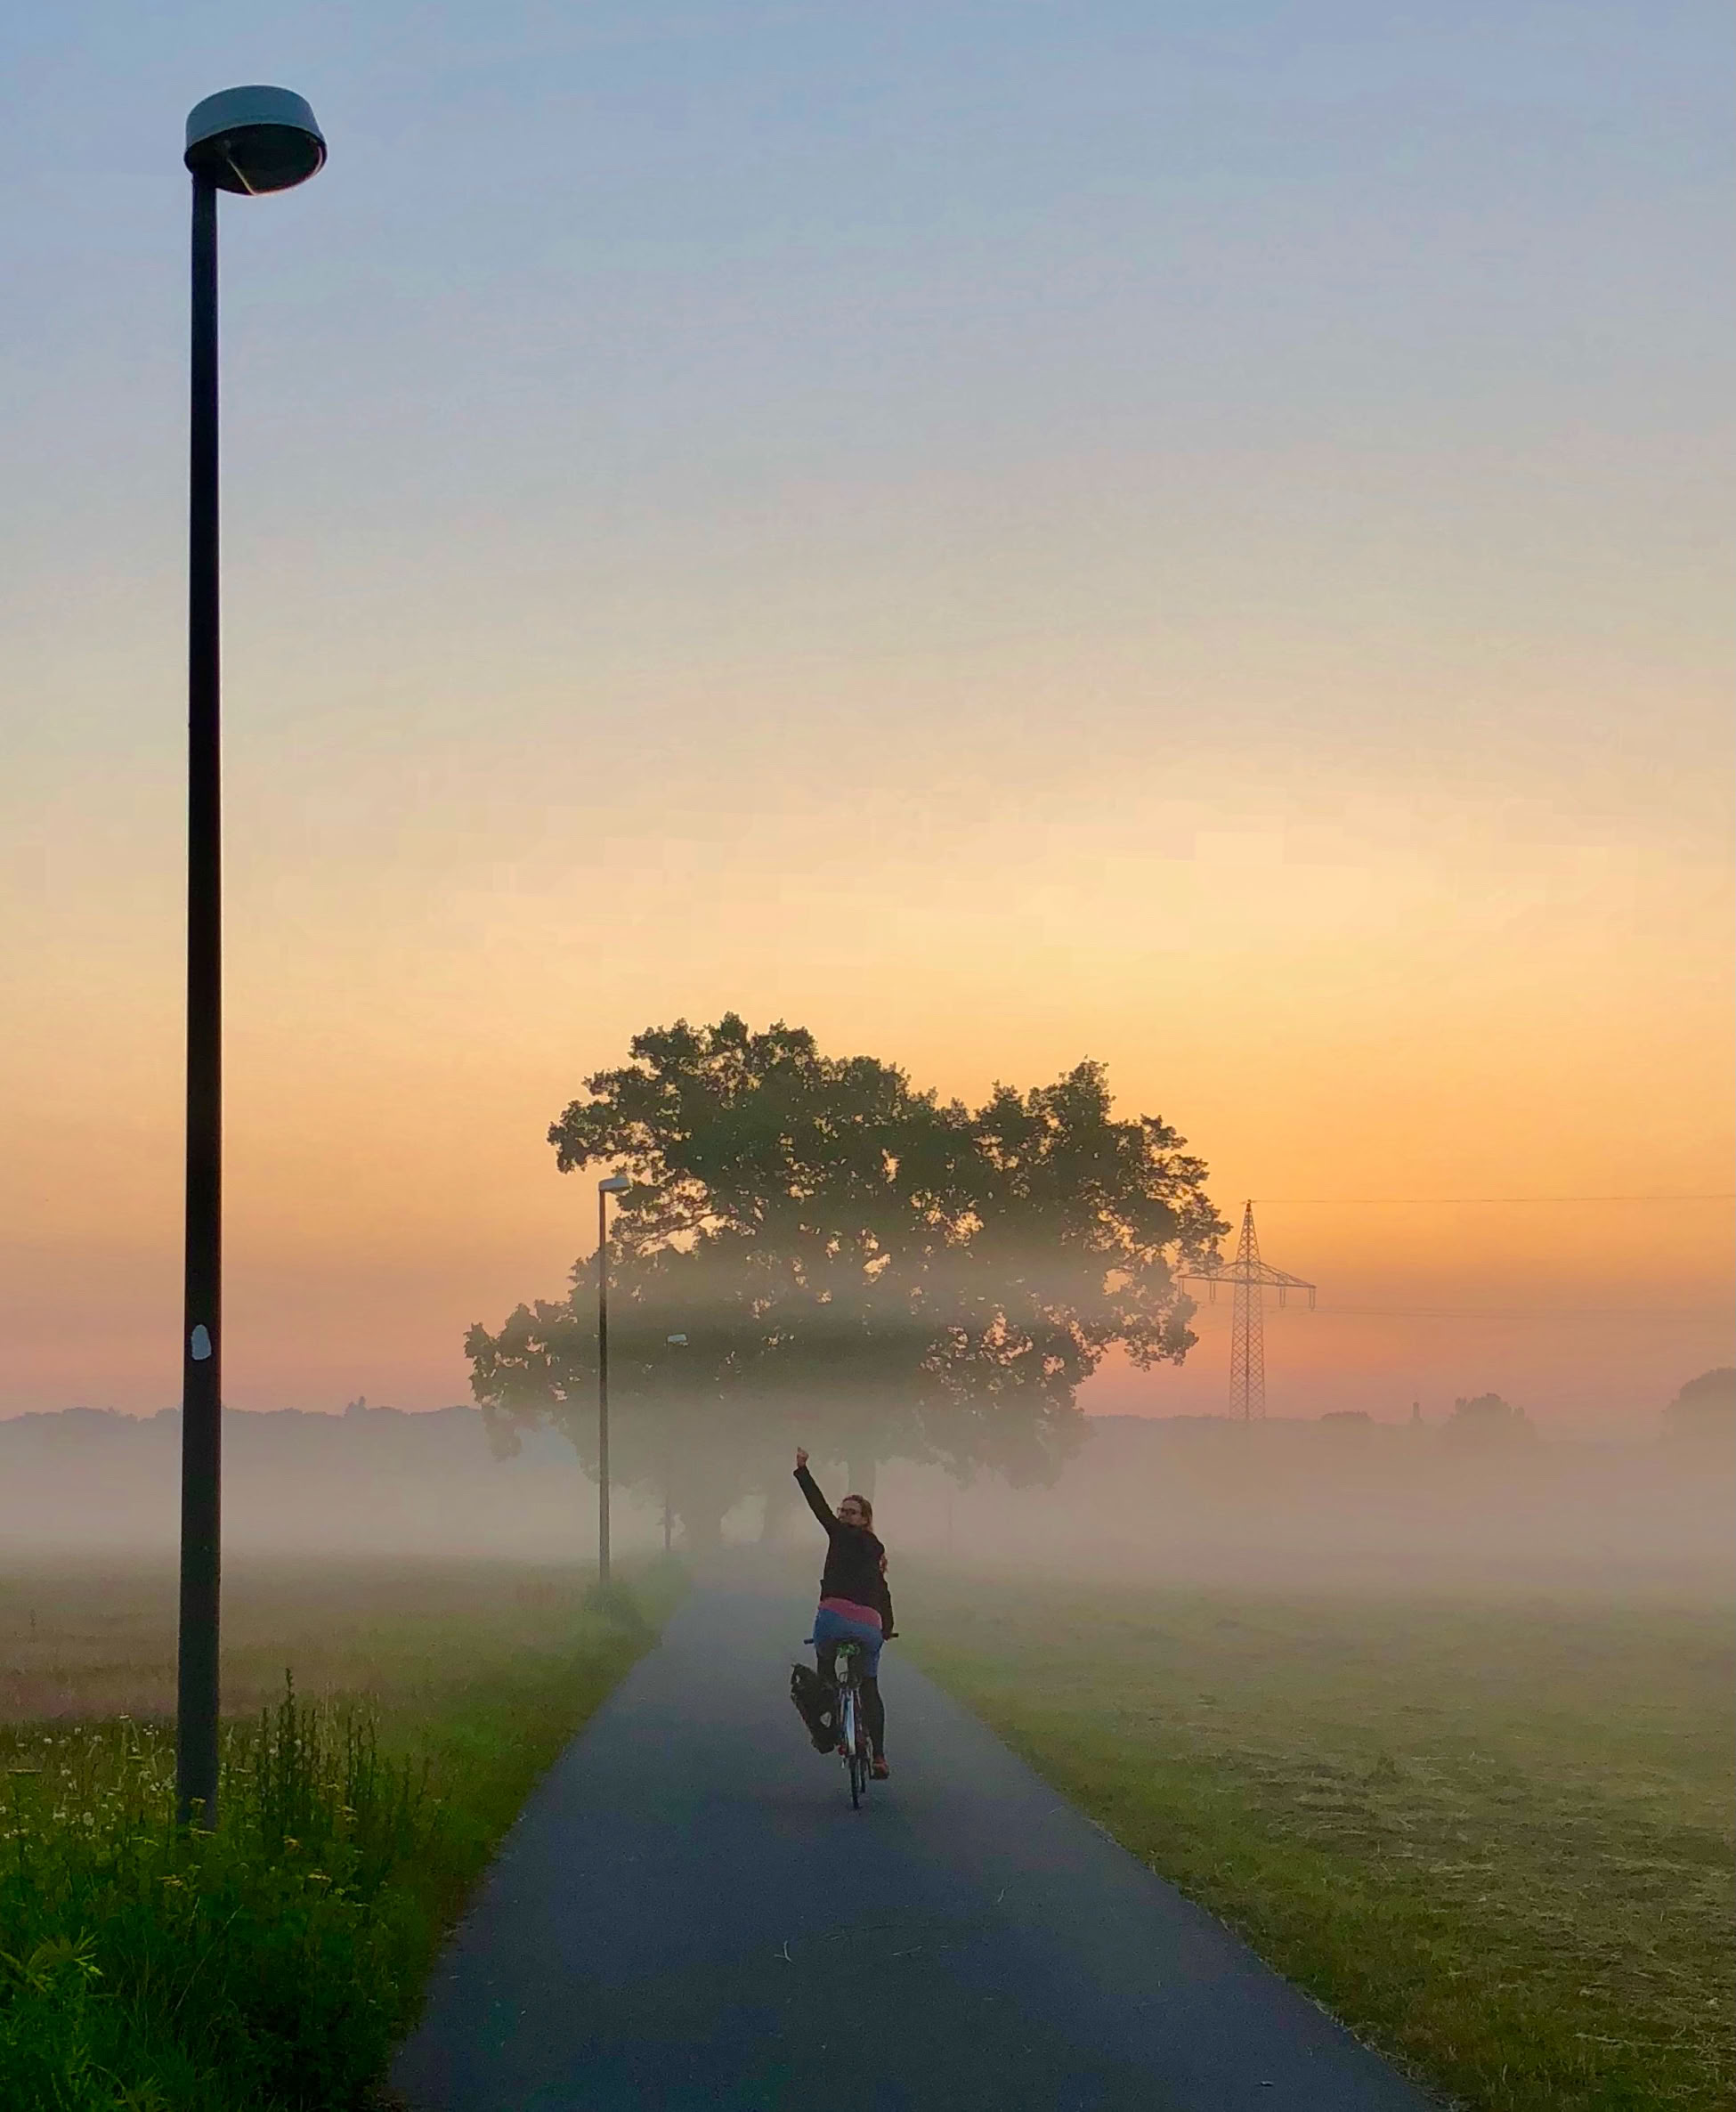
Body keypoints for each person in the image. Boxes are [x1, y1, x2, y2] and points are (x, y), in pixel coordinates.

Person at [794, 1446, 895, 1779]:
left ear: (864, 1518)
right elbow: (883, 1595)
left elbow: (816, 1505)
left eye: (851, 1512)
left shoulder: (838, 1535)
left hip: (832, 1620)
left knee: (825, 1675)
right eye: (842, 1511)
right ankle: (878, 1757)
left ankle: (830, 1729)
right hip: (869, 1626)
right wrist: (885, 1629)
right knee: (869, 1686)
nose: (843, 1516)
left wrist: (803, 1471)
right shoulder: (876, 1550)